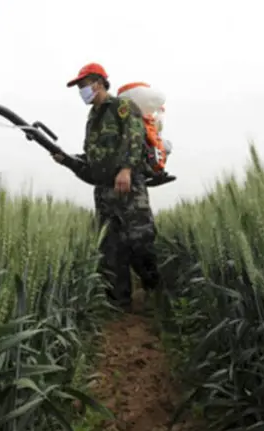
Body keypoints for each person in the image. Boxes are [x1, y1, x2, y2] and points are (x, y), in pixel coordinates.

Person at [52, 62, 160, 313]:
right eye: (79, 86)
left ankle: (155, 292)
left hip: (129, 187)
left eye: (83, 85)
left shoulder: (122, 107)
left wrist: (126, 169)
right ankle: (119, 303)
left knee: (140, 240)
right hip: (104, 192)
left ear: (98, 83)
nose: (81, 90)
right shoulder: (92, 119)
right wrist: (67, 160)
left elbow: (135, 139)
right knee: (111, 249)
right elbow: (93, 163)